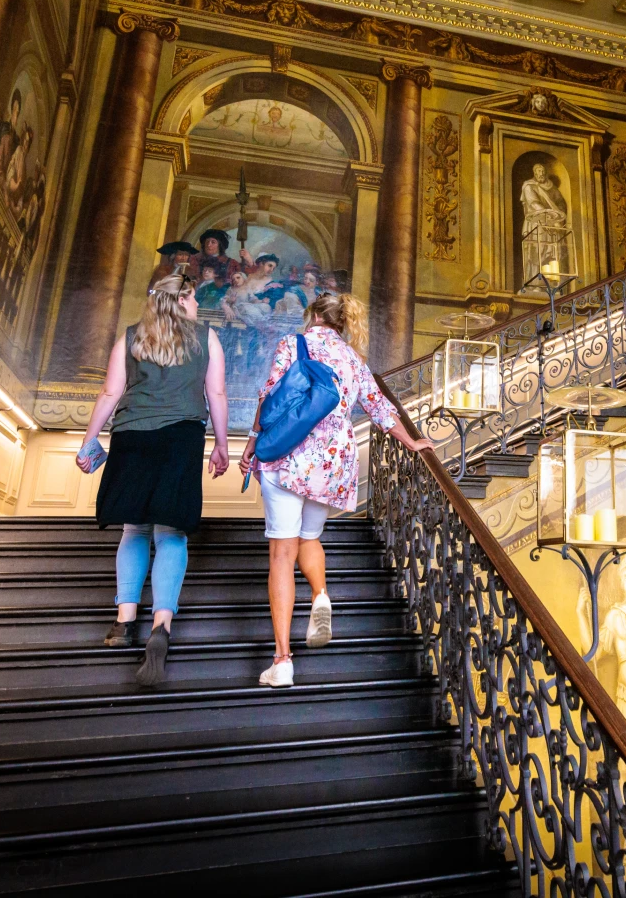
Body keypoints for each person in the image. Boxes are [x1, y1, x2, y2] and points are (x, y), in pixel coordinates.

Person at [238, 293, 432, 687]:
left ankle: (282, 660)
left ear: (312, 315)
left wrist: (252, 443)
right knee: (309, 538)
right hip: (333, 463)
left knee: (282, 554)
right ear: (342, 321)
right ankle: (321, 595)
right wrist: (413, 442)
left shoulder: (293, 343)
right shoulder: (353, 359)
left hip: (290, 456)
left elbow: (270, 396)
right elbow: (380, 408)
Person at [76, 275, 232, 687]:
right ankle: (161, 625)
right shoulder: (207, 338)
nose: (196, 305)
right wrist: (221, 445)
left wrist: (89, 440)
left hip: (132, 435)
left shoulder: (131, 336)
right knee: (171, 532)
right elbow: (216, 394)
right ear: (182, 299)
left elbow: (110, 393)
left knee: (134, 529)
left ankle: (124, 620)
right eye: (193, 298)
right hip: (181, 437)